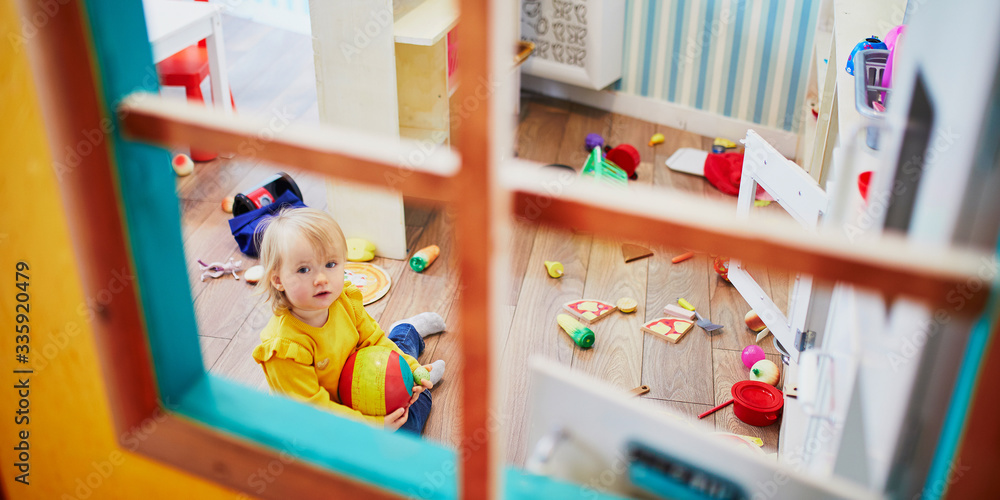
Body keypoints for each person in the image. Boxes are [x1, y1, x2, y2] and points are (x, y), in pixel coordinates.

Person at [251, 207, 446, 433]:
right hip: (323, 420)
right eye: (304, 269)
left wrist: (411, 370)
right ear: (278, 280)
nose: (321, 279)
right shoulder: (285, 348)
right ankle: (407, 337)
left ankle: (406, 333)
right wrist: (371, 426)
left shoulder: (343, 300)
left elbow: (374, 340)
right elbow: (312, 412)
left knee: (412, 407)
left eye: (331, 264)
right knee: (401, 435)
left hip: (365, 380)